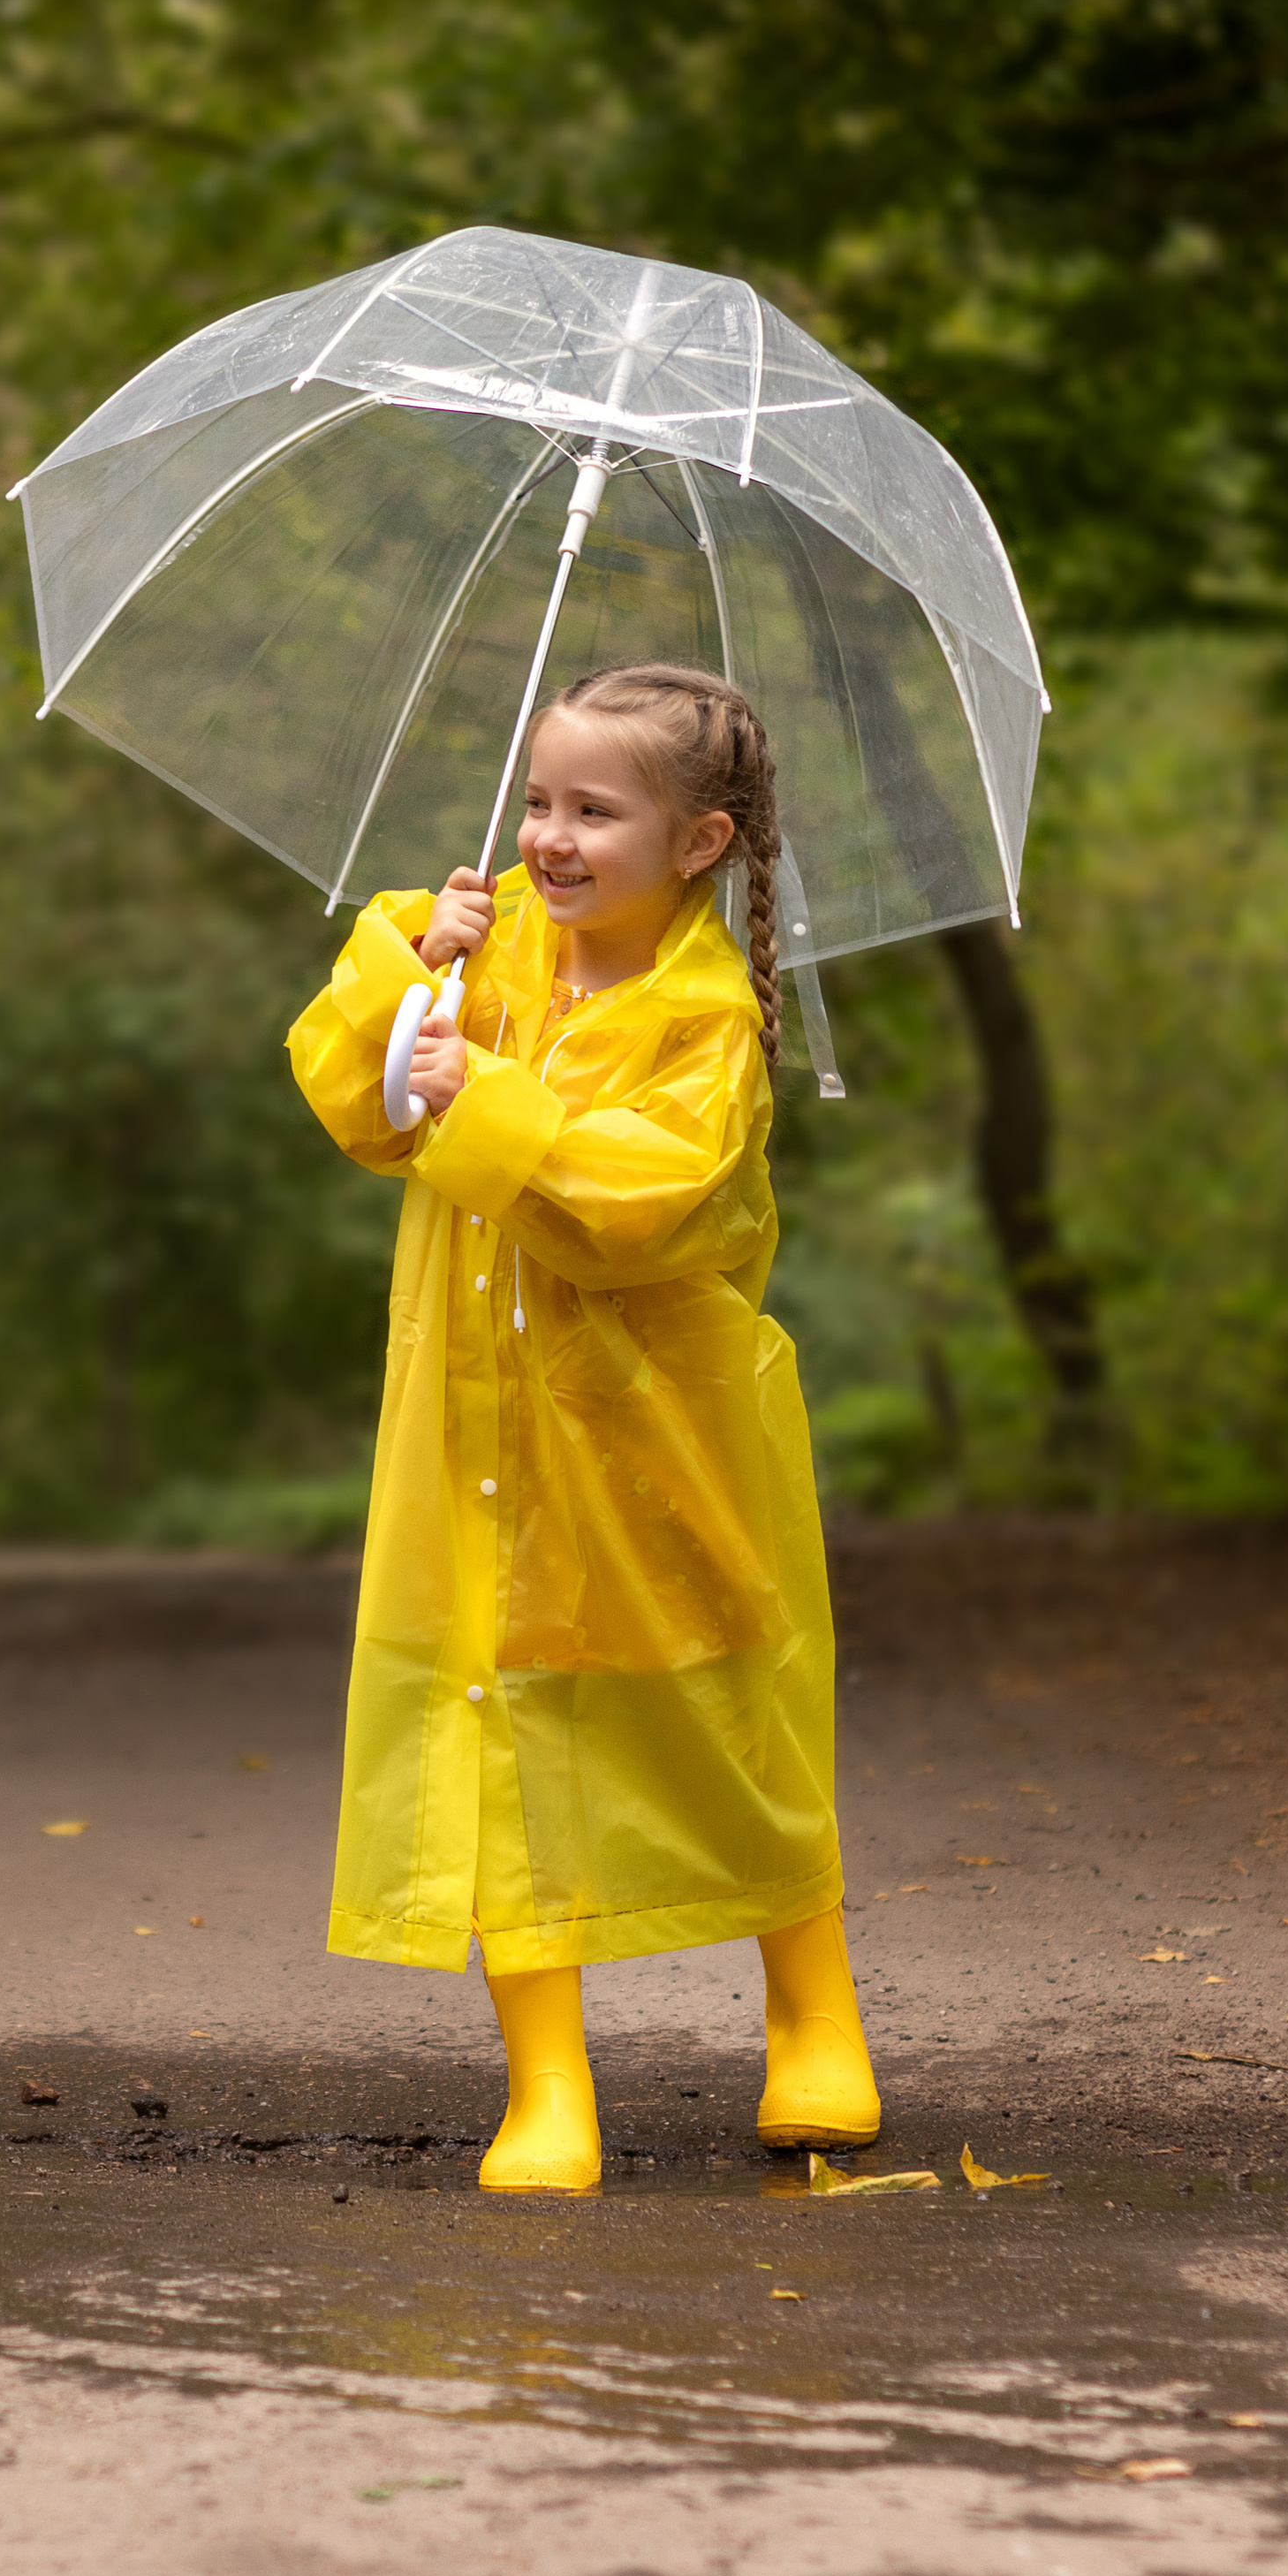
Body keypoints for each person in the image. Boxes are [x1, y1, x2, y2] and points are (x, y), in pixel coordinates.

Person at [286, 661, 878, 2192]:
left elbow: (634, 1204)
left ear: (698, 843)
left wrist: (476, 1090)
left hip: (656, 1437)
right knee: (490, 1726)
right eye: (539, 801)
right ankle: (547, 2082)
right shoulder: (485, 961)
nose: (549, 837)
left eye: (594, 811)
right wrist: (409, 977)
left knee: (719, 1716)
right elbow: (362, 1116)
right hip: (478, 1431)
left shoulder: (710, 1023)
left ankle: (814, 2006)